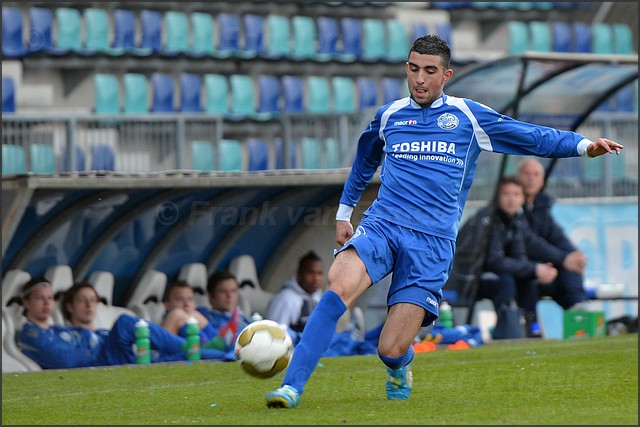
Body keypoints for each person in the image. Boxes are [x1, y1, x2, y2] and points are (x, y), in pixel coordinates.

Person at [264, 34, 623, 408]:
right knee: (337, 286)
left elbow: (529, 137)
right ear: (407, 69)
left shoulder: (468, 117)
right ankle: (292, 387)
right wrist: (344, 212)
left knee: (389, 348)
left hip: (432, 244)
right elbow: (364, 159)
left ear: (446, 75)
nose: (420, 79)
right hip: (383, 225)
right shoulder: (389, 116)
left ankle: (399, 363)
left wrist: (583, 145)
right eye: (414, 69)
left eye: (430, 71)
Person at [18, 279, 187, 369]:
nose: (47, 304)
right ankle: (191, 346)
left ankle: (202, 349)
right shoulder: (30, 333)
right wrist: (94, 344)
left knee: (187, 357)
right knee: (125, 323)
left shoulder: (58, 329)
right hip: (100, 365)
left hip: (114, 358)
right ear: (26, 302)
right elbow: (66, 359)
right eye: (40, 298)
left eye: (50, 298)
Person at [473, 176, 558, 339]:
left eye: (516, 194)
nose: (511, 199)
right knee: (506, 281)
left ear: (522, 199)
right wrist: (534, 268)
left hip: (497, 274)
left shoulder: (516, 221)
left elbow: (520, 258)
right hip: (468, 278)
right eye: (506, 194)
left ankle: (533, 330)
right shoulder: (488, 219)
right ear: (497, 197)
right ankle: (508, 333)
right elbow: (494, 260)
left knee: (529, 283)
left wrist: (537, 271)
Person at [265, 250, 379, 356]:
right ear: (299, 274)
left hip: (321, 342)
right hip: (300, 346)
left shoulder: (318, 296)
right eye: (310, 273)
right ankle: (353, 338)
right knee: (345, 344)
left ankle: (355, 337)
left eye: (319, 273)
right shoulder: (286, 299)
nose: (315, 278)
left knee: (346, 341)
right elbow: (275, 333)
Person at [516, 158, 589, 310]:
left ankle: (579, 311)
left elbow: (557, 236)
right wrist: (564, 259)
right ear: (517, 178)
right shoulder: (511, 207)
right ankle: (529, 328)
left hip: (542, 268)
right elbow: (529, 241)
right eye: (527, 173)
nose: (531, 178)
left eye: (536, 174)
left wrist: (574, 255)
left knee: (569, 272)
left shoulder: (541, 208)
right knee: (532, 284)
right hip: (519, 267)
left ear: (542, 182)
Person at [161, 279, 235, 359]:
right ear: (166, 305)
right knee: (178, 313)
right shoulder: (175, 315)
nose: (186, 304)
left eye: (190, 299)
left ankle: (226, 343)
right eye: (179, 299)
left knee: (194, 315)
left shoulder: (195, 317)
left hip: (200, 351)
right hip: (175, 357)